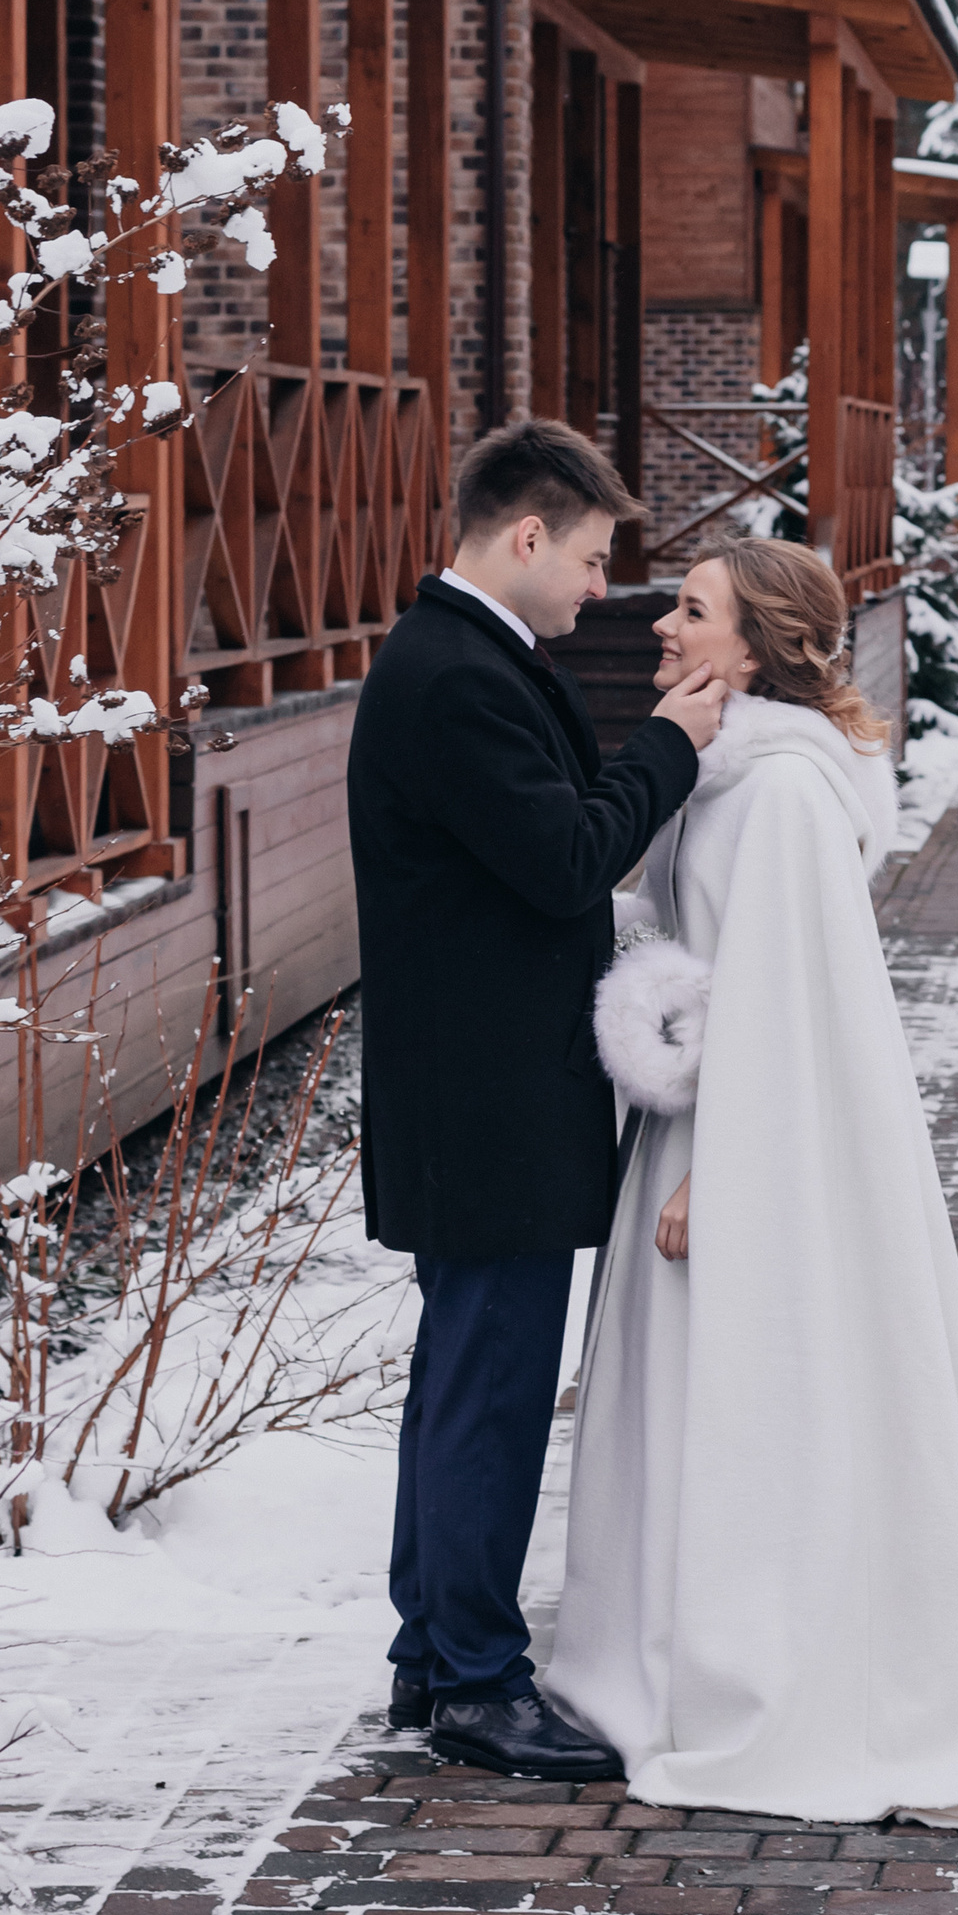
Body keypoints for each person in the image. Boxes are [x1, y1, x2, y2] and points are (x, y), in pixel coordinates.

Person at [547, 538, 958, 1823]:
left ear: (758, 645)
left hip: (756, 1141)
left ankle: (777, 1663)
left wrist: (717, 1173)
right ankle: (664, 1646)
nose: (660, 627)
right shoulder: (724, 773)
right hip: (698, 1122)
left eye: (690, 611)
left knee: (761, 1394)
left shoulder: (780, 795)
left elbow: (784, 1001)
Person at [348, 419, 728, 1782]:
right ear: (523, 536)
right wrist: (671, 748)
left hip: (479, 1095)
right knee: (490, 1389)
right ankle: (472, 1681)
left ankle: (428, 1653)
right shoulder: (453, 677)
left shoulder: (472, 657)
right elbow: (566, 858)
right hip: (486, 1103)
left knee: (466, 1377)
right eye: (586, 557)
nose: (597, 589)